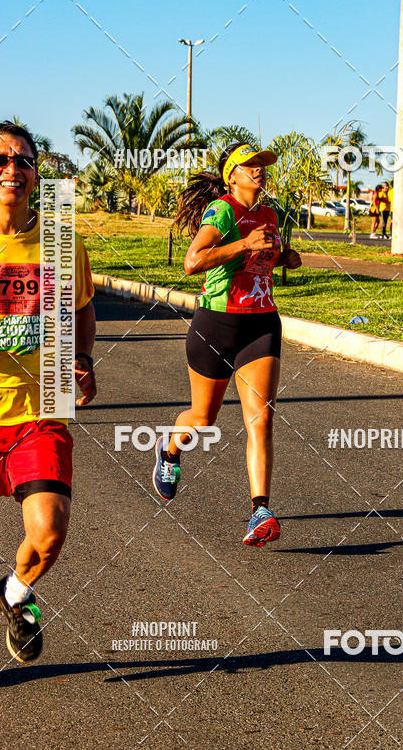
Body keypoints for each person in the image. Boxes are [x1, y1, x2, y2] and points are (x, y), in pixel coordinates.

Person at [0, 122, 96, 689]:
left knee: (49, 531)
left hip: (41, 406)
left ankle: (16, 593)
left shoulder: (63, 242)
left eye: (23, 160)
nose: (11, 168)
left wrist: (82, 359)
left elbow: (82, 309)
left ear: (36, 174)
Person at [151, 142, 301, 547]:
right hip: (216, 325)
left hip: (261, 324)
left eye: (261, 164)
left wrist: (283, 258)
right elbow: (193, 261)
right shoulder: (221, 211)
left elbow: (259, 259)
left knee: (261, 419)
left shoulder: (269, 214)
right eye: (249, 164)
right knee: (203, 419)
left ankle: (260, 511)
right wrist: (244, 244)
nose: (258, 169)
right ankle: (169, 448)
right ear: (231, 175)